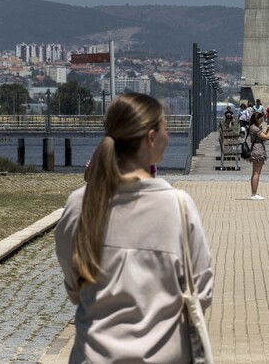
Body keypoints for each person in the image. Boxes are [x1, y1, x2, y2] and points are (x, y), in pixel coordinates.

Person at [55, 93, 214, 363]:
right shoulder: (177, 207)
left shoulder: (80, 204)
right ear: (151, 138)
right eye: (166, 128)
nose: (168, 135)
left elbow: (74, 287)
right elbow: (203, 292)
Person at [248, 111, 269, 201]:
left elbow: (263, 136)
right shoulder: (254, 128)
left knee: (255, 173)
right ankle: (254, 194)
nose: (262, 120)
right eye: (260, 118)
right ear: (256, 119)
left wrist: (266, 130)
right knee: (256, 173)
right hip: (257, 151)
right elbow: (267, 137)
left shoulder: (255, 127)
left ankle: (254, 193)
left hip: (257, 149)